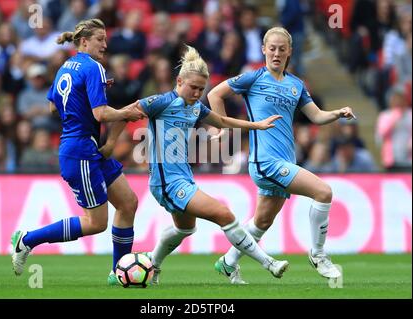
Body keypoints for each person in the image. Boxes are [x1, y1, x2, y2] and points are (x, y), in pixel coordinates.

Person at [118, 45, 289, 285]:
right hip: (167, 182)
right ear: (179, 81)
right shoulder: (161, 102)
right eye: (193, 87)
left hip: (183, 178)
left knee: (185, 229)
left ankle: (152, 265)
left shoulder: (195, 107)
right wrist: (107, 141)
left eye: (201, 89)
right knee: (224, 214)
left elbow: (220, 119)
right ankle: (267, 263)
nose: (198, 93)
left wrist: (256, 125)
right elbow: (126, 113)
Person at [207, 27, 356, 282]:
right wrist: (220, 127)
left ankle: (228, 262)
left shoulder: (296, 85)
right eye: (272, 48)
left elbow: (316, 115)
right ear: (264, 49)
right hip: (265, 162)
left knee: (262, 222)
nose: (276, 53)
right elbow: (214, 93)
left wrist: (336, 113)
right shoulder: (252, 79)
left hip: (285, 159)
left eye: (282, 49)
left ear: (289, 52)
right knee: (323, 192)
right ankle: (318, 255)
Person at [10, 19, 146, 285]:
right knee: (96, 223)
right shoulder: (94, 67)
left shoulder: (65, 67)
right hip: (81, 150)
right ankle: (27, 240)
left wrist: (76, 112)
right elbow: (101, 113)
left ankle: (118, 272)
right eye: (101, 39)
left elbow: (52, 107)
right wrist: (126, 113)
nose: (105, 45)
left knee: (128, 202)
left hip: (87, 148)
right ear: (85, 41)